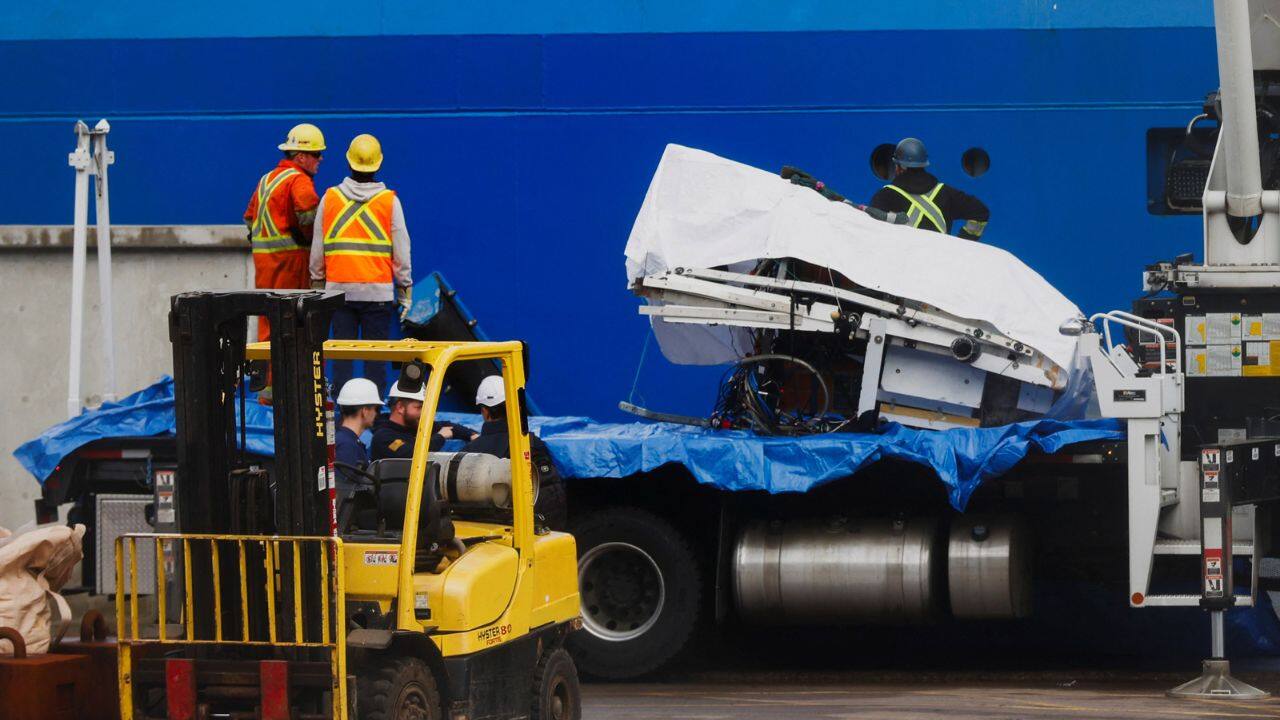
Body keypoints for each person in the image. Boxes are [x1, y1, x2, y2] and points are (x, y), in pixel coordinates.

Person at [310, 134, 413, 395]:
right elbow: (401, 249)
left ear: (349, 163)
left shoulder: (330, 198)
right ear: (378, 165)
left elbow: (318, 248)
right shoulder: (390, 201)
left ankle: (344, 414)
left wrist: (317, 285)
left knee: (342, 357)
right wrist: (404, 291)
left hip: (338, 292)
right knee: (374, 359)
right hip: (377, 293)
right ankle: (373, 415)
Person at [244, 123, 325, 341]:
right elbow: (309, 220)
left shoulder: (266, 179)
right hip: (291, 266)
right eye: (316, 154)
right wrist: (310, 244)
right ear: (300, 157)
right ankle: (287, 376)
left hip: (264, 266)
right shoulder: (299, 180)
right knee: (294, 327)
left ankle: (265, 374)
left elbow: (250, 219)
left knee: (268, 324)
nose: (321, 159)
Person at [461, 375, 566, 529]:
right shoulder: (530, 444)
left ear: (485, 411)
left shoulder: (469, 453)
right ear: (513, 406)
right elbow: (550, 499)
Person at [868, 137, 990, 241]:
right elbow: (980, 212)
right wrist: (964, 241)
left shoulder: (885, 196)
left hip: (904, 265)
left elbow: (874, 234)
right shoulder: (945, 192)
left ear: (899, 166)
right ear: (923, 164)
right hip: (940, 264)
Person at [370, 381, 478, 461]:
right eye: (419, 408)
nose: (424, 413)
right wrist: (440, 437)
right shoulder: (383, 437)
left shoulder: (415, 426)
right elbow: (412, 453)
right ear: (400, 408)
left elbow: (448, 427)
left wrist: (473, 436)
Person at [333, 378, 382, 492]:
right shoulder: (347, 446)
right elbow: (346, 492)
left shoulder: (344, 441)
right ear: (365, 411)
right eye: (376, 409)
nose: (376, 414)